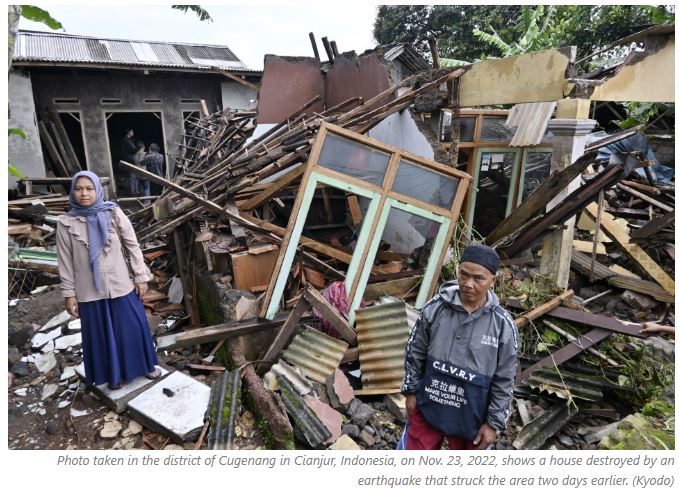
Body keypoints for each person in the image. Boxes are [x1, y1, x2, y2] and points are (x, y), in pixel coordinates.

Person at [401, 244, 517, 450]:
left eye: (478, 278)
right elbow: (415, 352)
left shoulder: (502, 325)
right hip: (429, 405)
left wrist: (493, 423)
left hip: (473, 417)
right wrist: (411, 391)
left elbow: (505, 379)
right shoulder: (436, 308)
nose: (468, 284)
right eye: (463, 275)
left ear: (493, 280)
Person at [56, 171, 160, 390]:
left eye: (89, 188)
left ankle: (145, 366)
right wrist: (69, 294)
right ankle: (114, 377)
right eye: (79, 188)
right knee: (101, 336)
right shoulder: (65, 223)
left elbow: (132, 245)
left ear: (97, 190)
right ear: (73, 191)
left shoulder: (113, 212)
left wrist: (141, 276)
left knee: (133, 326)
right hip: (88, 290)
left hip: (120, 284)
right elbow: (64, 262)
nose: (84, 193)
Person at [120, 129, 136, 195]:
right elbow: (132, 150)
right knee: (132, 176)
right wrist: (138, 148)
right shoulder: (125, 140)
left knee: (134, 176)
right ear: (129, 132)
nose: (133, 133)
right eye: (132, 131)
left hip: (131, 159)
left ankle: (135, 190)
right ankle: (133, 192)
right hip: (130, 159)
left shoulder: (130, 140)